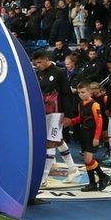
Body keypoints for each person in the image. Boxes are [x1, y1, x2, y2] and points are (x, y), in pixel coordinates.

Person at [32, 51, 80, 186]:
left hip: (57, 113)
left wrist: (68, 115)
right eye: (36, 63)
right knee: (58, 140)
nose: (38, 65)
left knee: (50, 143)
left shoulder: (59, 72)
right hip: (44, 113)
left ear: (46, 59)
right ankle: (73, 168)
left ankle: (43, 178)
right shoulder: (38, 73)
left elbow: (67, 94)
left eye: (40, 62)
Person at [63, 82, 111, 192]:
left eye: (83, 92)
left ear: (90, 92)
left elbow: (99, 122)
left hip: (92, 134)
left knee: (88, 158)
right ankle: (92, 183)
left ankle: (103, 176)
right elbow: (81, 118)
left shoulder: (95, 105)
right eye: (79, 92)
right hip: (84, 133)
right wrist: (70, 122)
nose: (81, 94)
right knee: (86, 159)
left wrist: (96, 137)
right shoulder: (80, 104)